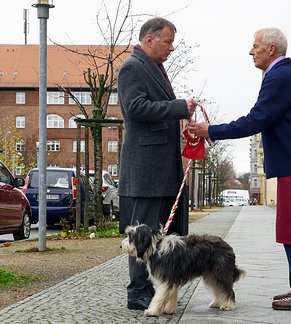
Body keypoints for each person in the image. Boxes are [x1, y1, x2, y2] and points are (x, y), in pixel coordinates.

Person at [188, 27, 291, 311]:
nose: (250, 51)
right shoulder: (290, 74)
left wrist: (210, 130)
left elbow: (256, 119)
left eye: (255, 46)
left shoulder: (280, 76)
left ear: (272, 49)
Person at [117, 17, 197, 311]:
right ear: (149, 40)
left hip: (160, 169)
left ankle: (159, 288)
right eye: (168, 41)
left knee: (160, 234)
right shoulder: (132, 67)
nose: (172, 48)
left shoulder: (153, 67)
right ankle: (138, 292)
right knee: (143, 235)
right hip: (146, 170)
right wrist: (178, 108)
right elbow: (135, 109)